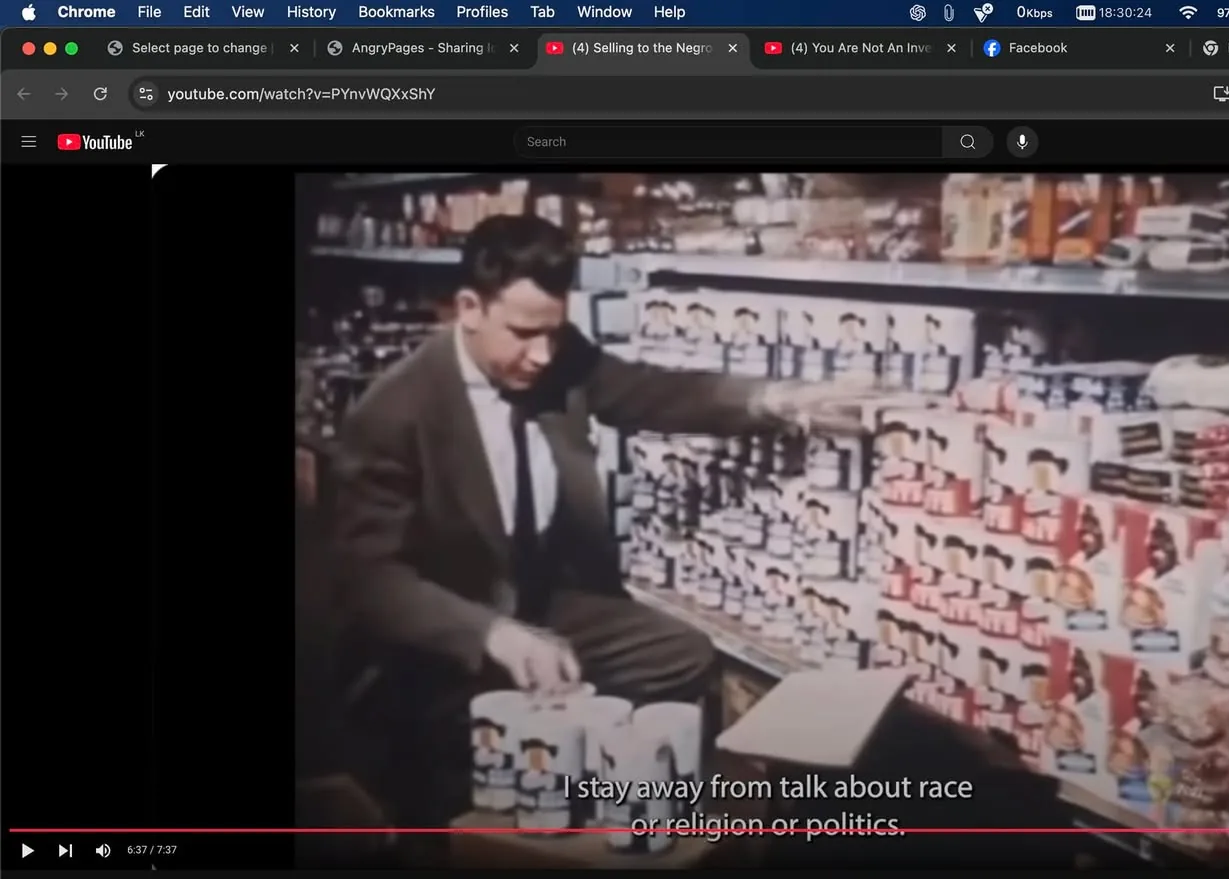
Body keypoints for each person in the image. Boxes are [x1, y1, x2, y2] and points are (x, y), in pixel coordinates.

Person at [332, 214, 884, 832]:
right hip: (445, 631)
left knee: (680, 655)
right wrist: (491, 633)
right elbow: (369, 578)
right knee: (464, 754)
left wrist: (772, 400)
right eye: (522, 333)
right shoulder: (392, 412)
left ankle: (607, 792)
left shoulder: (552, 355)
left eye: (554, 331)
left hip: (538, 601)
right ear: (468, 307)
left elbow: (649, 390)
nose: (542, 356)